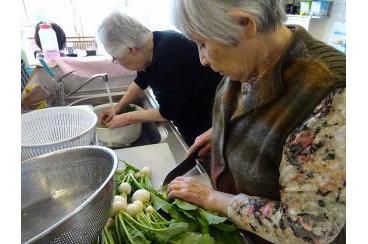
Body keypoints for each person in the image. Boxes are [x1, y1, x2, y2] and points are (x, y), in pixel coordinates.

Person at [167, 0, 346, 243]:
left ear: (244, 24)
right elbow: (268, 119)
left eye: (203, 44)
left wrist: (211, 198)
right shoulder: (252, 60)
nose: (203, 60)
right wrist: (225, 132)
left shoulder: (331, 96)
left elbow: (307, 230)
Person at [97, 12, 222, 145]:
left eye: (116, 58)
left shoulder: (168, 56)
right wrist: (118, 107)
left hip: (207, 122)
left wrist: (127, 118)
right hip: (197, 116)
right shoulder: (153, 44)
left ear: (132, 50)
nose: (118, 62)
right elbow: (141, 80)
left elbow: (168, 113)